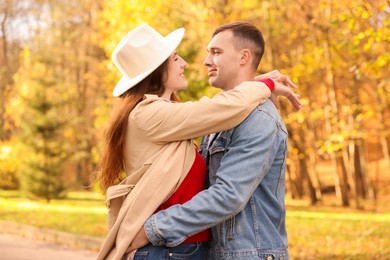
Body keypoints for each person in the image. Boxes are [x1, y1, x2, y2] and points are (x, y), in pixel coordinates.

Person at [97, 23, 300, 260]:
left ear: (244, 57)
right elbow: (218, 108)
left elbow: (221, 109)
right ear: (157, 69)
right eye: (175, 59)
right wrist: (263, 85)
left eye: (215, 52)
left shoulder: (249, 118)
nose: (189, 62)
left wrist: (257, 86)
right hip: (167, 249)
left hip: (188, 249)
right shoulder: (149, 114)